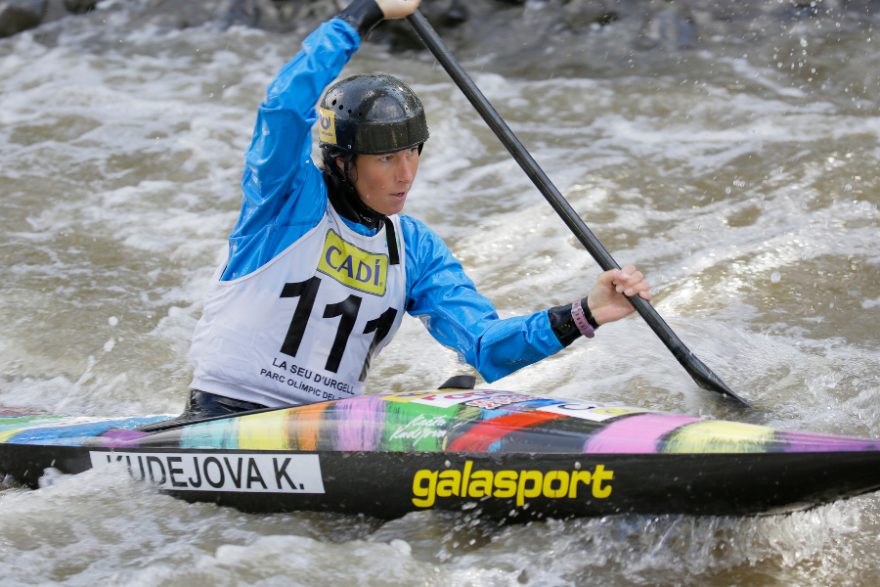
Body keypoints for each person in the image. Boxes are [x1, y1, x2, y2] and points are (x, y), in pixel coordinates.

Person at [183, 0, 652, 418]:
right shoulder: (285, 201)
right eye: (386, 158)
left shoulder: (413, 247)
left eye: (413, 153)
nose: (406, 175)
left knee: (466, 385)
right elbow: (284, 110)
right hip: (224, 414)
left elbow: (485, 346)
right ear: (342, 161)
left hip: (323, 428)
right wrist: (363, 14)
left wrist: (583, 313)